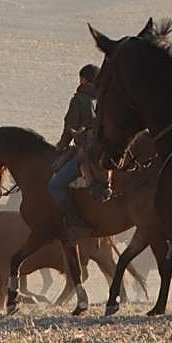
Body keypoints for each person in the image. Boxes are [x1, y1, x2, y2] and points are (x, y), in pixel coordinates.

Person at [47, 63, 99, 232]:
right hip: (104, 151)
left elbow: (70, 127)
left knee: (54, 185)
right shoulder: (103, 99)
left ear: (83, 79)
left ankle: (75, 222)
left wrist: (61, 145)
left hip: (86, 151)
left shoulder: (79, 99)